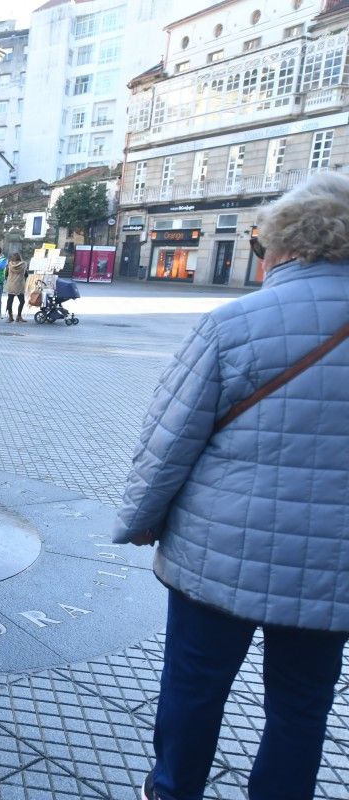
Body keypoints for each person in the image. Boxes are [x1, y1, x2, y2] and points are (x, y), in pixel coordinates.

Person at [114, 171, 349, 800]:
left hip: (221, 552)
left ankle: (172, 791)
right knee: (302, 706)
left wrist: (139, 519)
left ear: (285, 246)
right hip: (335, 566)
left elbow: (168, 439)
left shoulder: (234, 323)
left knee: (194, 684)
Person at [4, 252, 28, 322]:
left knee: (10, 300)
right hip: (20, 285)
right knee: (22, 301)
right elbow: (26, 275)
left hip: (11, 285)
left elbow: (6, 274)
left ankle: (10, 317)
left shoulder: (9, 265)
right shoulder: (23, 265)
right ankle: (19, 316)